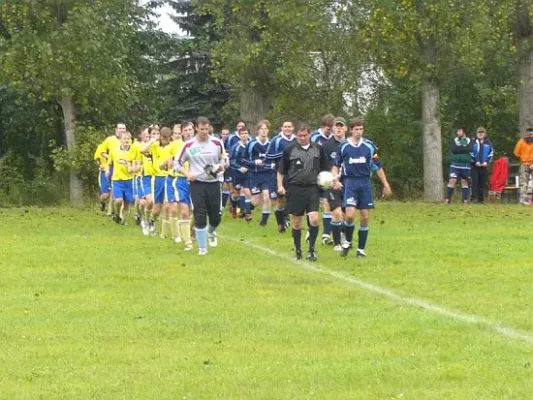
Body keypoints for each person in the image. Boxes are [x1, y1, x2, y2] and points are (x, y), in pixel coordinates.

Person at [331, 118, 392, 258]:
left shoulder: (370, 146)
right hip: (350, 183)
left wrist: (386, 184)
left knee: (364, 217)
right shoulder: (344, 146)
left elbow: (378, 166)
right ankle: (347, 241)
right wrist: (335, 179)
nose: (359, 132)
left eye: (361, 129)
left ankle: (361, 250)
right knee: (350, 215)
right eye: (356, 129)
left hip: (365, 183)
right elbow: (335, 166)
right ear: (351, 130)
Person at [174, 117, 226, 256]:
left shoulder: (216, 142)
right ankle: (202, 248)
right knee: (199, 214)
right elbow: (176, 164)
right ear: (196, 128)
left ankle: (211, 231)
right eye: (202, 129)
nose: (204, 132)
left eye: (206, 129)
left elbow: (224, 159)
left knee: (216, 217)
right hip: (197, 184)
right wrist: (187, 173)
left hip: (214, 183)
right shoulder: (189, 145)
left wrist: (221, 166)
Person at [277, 125, 330, 261]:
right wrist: (280, 186)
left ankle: (311, 249)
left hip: (313, 188)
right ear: (296, 135)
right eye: (299, 136)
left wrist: (330, 180)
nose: (302, 138)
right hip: (295, 189)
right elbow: (281, 170)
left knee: (314, 219)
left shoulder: (318, 149)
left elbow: (325, 169)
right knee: (296, 222)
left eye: (304, 135)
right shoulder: (290, 150)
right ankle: (298, 250)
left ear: (309, 134)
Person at [266, 120, 296, 232]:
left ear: (293, 128)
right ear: (282, 128)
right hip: (279, 173)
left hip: (293, 173)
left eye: (289, 126)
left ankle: (286, 216)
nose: (287, 128)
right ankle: (280, 224)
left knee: (291, 196)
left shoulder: (296, 140)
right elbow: (268, 155)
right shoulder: (276, 140)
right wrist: (284, 155)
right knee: (280, 199)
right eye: (285, 127)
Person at [322, 117, 348, 250]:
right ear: (333, 128)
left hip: (348, 183)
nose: (338, 128)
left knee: (347, 213)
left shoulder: (349, 144)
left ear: (345, 128)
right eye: (336, 126)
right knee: (336, 211)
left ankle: (342, 235)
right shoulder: (327, 145)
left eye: (341, 126)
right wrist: (331, 180)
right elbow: (322, 165)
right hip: (332, 183)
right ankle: (334, 240)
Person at [242, 120, 275, 226]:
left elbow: (277, 157)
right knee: (256, 200)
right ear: (258, 131)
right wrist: (254, 162)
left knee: (266, 196)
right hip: (255, 175)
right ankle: (247, 210)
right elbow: (244, 159)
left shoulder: (271, 144)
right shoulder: (252, 144)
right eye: (262, 129)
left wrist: (275, 164)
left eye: (266, 129)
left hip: (268, 175)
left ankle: (263, 223)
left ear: (268, 130)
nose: (264, 131)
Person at [105, 131, 139, 224]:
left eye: (128, 139)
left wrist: (134, 168)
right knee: (119, 200)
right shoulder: (114, 151)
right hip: (117, 180)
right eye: (124, 139)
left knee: (127, 202)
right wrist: (107, 171)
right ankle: (116, 213)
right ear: (120, 140)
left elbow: (137, 163)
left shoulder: (134, 151)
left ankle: (124, 221)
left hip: (129, 180)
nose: (127, 141)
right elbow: (109, 163)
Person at [444, 128, 473, 204]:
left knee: (465, 181)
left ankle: (465, 200)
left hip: (466, 165)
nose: (458, 133)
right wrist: (464, 148)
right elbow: (454, 150)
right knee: (452, 180)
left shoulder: (469, 140)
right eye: (457, 131)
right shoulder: (454, 140)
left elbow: (469, 149)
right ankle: (447, 199)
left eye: (459, 131)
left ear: (464, 132)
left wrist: (459, 149)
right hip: (455, 164)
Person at [228, 127, 250, 219]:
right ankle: (233, 206)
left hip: (248, 173)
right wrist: (239, 168)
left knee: (247, 192)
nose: (244, 135)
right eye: (242, 134)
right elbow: (231, 161)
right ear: (239, 135)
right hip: (237, 173)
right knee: (236, 194)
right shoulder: (236, 147)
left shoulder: (251, 145)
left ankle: (247, 213)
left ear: (248, 134)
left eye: (246, 133)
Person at [470, 127, 494, 203]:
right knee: (474, 182)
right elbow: (470, 153)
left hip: (484, 166)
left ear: (485, 134)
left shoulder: (488, 143)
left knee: (482, 184)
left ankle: (481, 200)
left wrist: (486, 162)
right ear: (476, 134)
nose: (480, 134)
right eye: (479, 132)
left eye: (482, 132)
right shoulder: (473, 142)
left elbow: (491, 153)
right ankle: (474, 199)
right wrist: (475, 161)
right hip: (474, 166)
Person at [513, 127, 533, 205]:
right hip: (524, 164)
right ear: (525, 134)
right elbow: (516, 153)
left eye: (531, 134)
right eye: (528, 134)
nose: (529, 136)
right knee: (523, 183)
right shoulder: (521, 142)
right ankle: (523, 200)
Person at [93, 140, 111, 213]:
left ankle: (112, 211)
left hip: (113, 172)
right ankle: (102, 202)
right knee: (106, 195)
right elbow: (96, 159)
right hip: (104, 173)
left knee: (113, 194)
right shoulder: (100, 147)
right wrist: (100, 165)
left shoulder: (116, 148)